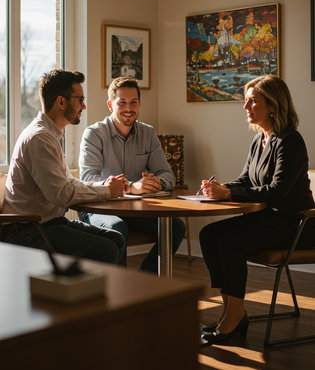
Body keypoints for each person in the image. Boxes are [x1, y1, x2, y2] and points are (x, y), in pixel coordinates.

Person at [199, 75, 315, 344]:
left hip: (294, 226)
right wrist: (219, 187)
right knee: (209, 235)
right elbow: (246, 180)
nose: (245, 107)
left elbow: (277, 192)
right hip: (266, 221)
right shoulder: (260, 139)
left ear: (272, 105)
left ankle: (234, 318)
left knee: (229, 241)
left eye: (252, 101)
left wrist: (229, 193)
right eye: (245, 101)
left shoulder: (290, 141)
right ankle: (230, 310)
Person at [2, 69, 126, 265]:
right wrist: (108, 191)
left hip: (47, 223)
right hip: (28, 230)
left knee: (116, 239)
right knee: (107, 249)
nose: (83, 106)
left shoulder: (50, 135)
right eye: (79, 100)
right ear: (61, 102)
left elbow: (68, 184)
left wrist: (104, 186)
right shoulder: (39, 138)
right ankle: (87, 295)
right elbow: (62, 195)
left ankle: (116, 294)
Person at [79, 76, 186, 273]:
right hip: (99, 207)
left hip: (135, 208)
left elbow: (167, 175)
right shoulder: (94, 134)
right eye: (122, 103)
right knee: (117, 229)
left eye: (133, 102)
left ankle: (143, 280)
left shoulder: (148, 133)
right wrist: (130, 186)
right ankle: (121, 295)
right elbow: (87, 180)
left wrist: (155, 183)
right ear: (110, 105)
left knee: (176, 227)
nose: (129, 108)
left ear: (139, 103)